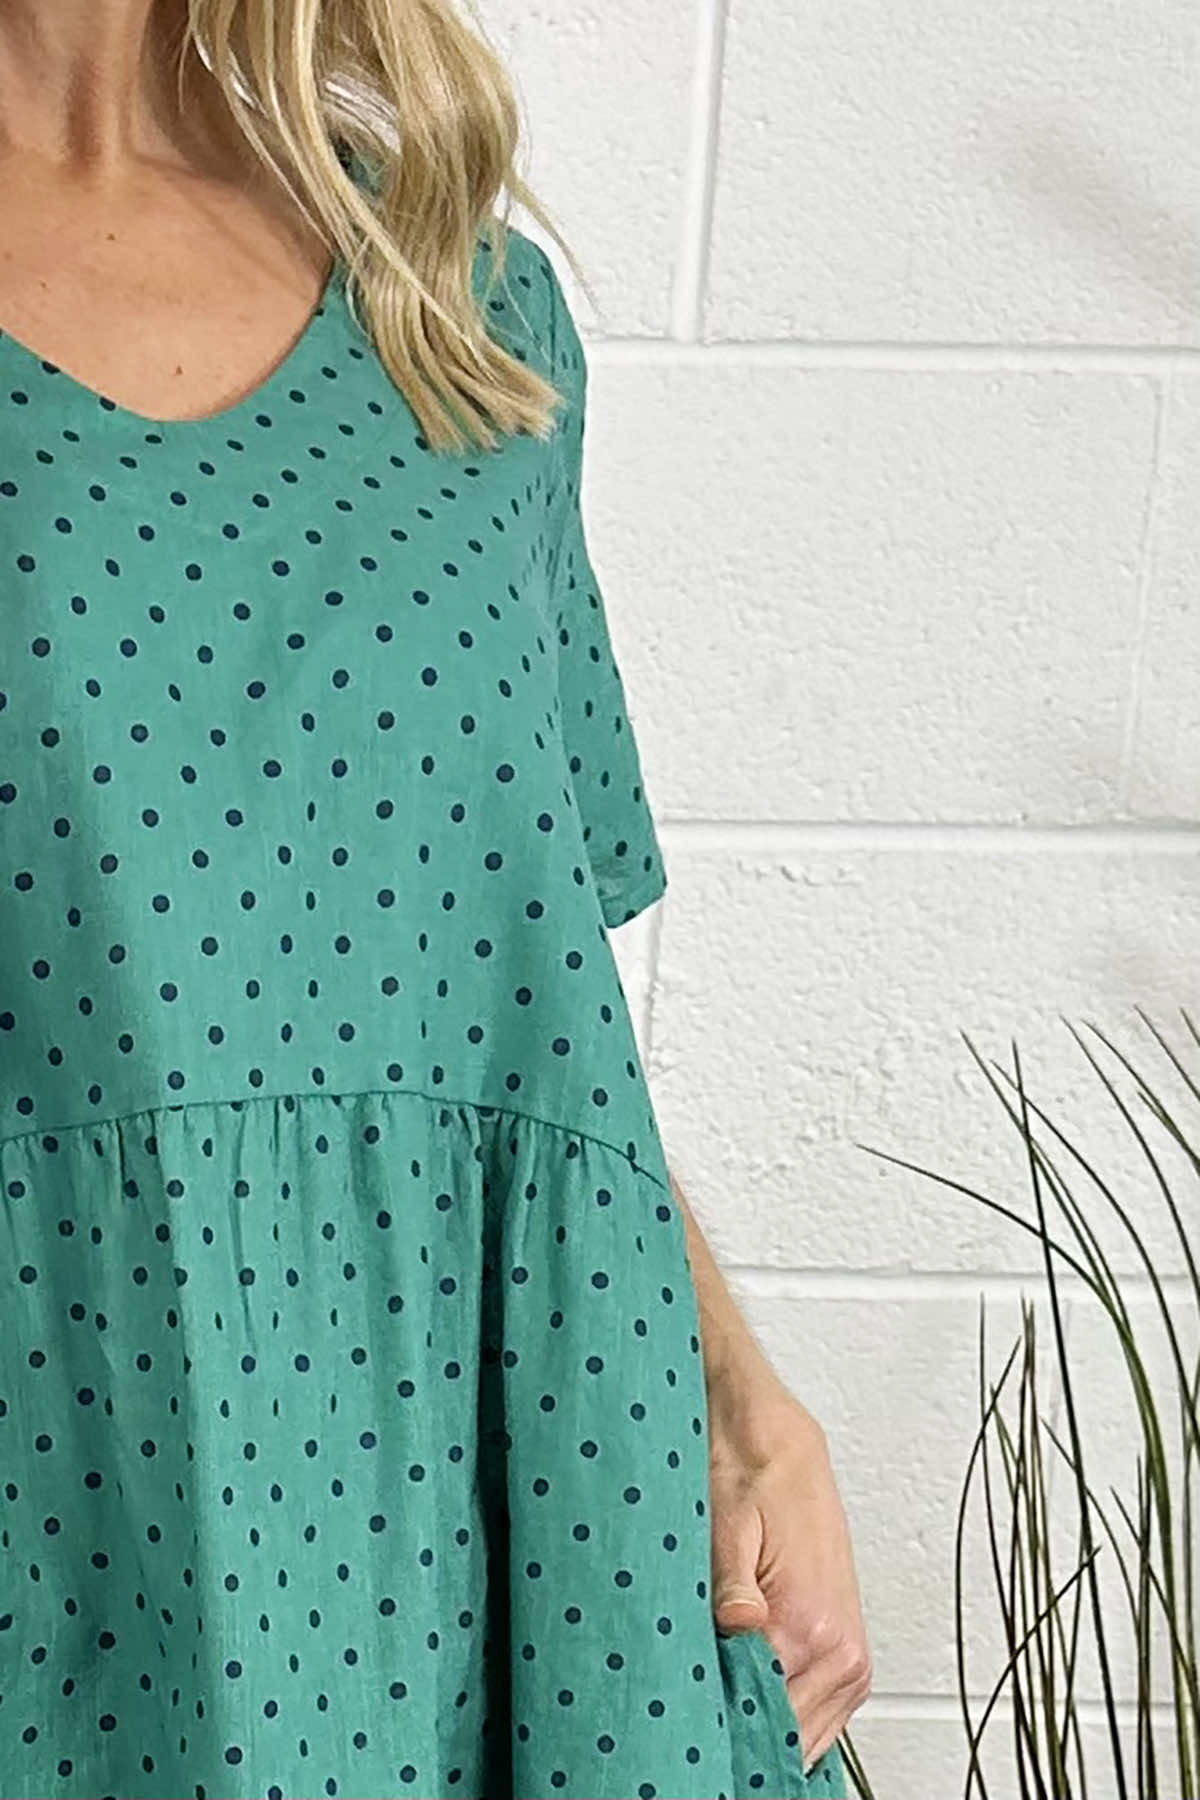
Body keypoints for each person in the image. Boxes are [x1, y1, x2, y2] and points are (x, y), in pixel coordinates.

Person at [0, 0, 871, 1793]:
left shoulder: (461, 303)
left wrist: (737, 1396)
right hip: (69, 1473)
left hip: (504, 1486)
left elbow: (522, 999)